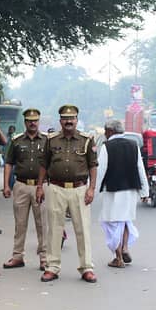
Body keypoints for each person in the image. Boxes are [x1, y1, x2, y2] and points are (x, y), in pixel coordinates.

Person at [36, 104, 98, 283]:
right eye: (65, 118)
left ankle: (86, 267)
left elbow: (93, 166)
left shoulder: (87, 140)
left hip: (80, 189)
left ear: (77, 120)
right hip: (56, 188)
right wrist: (39, 187)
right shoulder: (51, 140)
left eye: (72, 118)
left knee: (83, 229)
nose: (68, 121)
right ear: (60, 121)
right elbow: (44, 164)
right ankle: (52, 267)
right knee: (54, 229)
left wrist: (91, 189)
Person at [96, 120, 148, 268]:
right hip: (131, 190)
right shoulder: (133, 145)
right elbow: (140, 168)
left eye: (106, 132)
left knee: (111, 222)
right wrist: (145, 191)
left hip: (113, 191)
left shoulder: (107, 147)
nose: (105, 135)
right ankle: (125, 248)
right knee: (125, 220)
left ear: (110, 131)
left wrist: (92, 190)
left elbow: (101, 171)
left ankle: (118, 258)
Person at [2, 108, 48, 270]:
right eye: (29, 121)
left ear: (39, 121)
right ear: (25, 122)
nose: (32, 123)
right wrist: (6, 185)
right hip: (21, 185)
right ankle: (17, 256)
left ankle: (44, 258)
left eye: (35, 120)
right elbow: (9, 163)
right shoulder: (17, 141)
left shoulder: (47, 140)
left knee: (42, 223)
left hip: (40, 186)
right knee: (20, 223)